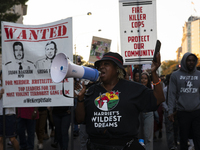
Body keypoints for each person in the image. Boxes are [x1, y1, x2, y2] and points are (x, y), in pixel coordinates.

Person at [75, 52, 165, 150]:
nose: (101, 67)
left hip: (125, 146)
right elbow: (80, 120)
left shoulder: (133, 89)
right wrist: (80, 98)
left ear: (117, 69)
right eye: (100, 65)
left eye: (106, 64)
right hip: (96, 145)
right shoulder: (91, 91)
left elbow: (159, 98)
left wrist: (154, 73)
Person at [168, 52, 200, 150]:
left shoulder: (199, 75)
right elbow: (171, 94)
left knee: (198, 138)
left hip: (197, 112)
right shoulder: (175, 75)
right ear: (184, 61)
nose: (191, 62)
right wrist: (170, 111)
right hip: (182, 112)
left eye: (193, 61)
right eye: (189, 60)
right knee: (183, 139)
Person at [0, 70, 19, 150]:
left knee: (12, 138)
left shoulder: (12, 85)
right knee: (0, 139)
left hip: (9, 115)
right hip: (0, 115)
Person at [162, 74, 178, 150]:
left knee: (177, 128)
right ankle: (171, 146)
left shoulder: (178, 89)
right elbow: (163, 101)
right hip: (168, 112)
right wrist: (169, 110)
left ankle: (176, 142)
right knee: (169, 130)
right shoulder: (165, 90)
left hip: (177, 111)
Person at [140, 71, 154, 150]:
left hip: (148, 113)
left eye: (145, 78)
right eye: (141, 78)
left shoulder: (150, 90)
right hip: (138, 114)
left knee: (148, 137)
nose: (143, 80)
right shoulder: (135, 89)